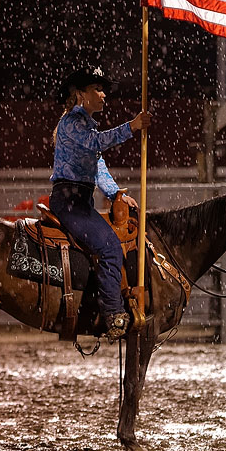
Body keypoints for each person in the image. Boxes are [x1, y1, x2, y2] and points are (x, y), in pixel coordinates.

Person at [50, 67, 150, 342]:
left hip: (78, 201)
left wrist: (116, 193)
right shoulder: (74, 123)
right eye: (98, 89)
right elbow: (97, 144)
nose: (104, 95)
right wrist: (131, 127)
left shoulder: (81, 125)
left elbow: (98, 166)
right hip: (71, 202)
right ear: (82, 94)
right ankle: (113, 314)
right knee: (108, 246)